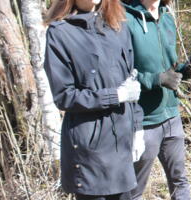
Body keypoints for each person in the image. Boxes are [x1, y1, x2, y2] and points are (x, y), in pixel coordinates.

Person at [43, 0, 145, 199]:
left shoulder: (119, 26)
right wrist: (115, 96)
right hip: (88, 150)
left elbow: (131, 82)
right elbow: (64, 96)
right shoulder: (60, 32)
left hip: (122, 143)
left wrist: (138, 128)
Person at [122, 0, 191, 199]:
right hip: (143, 120)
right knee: (133, 190)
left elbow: (170, 65)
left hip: (172, 115)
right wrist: (156, 79)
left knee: (180, 181)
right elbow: (119, 73)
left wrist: (186, 70)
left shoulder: (167, 17)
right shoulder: (125, 18)